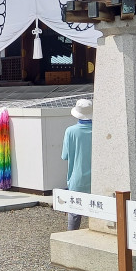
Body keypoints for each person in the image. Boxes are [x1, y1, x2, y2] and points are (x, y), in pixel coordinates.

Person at [61, 99, 93, 231]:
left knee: (74, 213)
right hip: (96, 179)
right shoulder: (99, 131)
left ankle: (71, 238)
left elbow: (65, 156)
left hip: (77, 178)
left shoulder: (70, 131)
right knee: (97, 212)